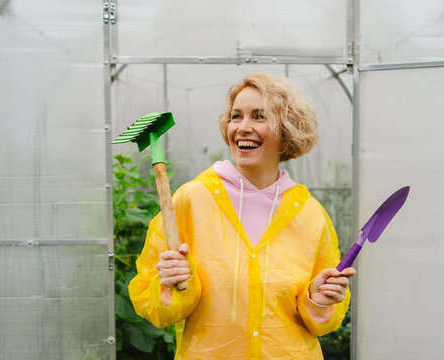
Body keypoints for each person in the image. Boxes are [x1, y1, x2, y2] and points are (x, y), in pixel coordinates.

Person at [129, 72, 356, 359]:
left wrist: (318, 300)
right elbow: (153, 304)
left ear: (286, 129)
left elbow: (320, 322)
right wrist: (170, 283)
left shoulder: (310, 214)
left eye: (259, 116)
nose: (242, 127)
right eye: (236, 117)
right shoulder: (191, 200)